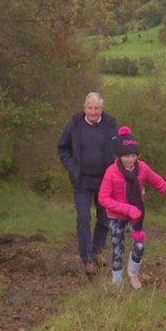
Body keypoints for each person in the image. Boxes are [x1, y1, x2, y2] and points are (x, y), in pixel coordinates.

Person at [98, 126, 166, 289]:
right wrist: (127, 209)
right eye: (126, 156)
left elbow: (158, 181)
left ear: (137, 155)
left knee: (139, 246)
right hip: (116, 216)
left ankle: (133, 273)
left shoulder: (142, 168)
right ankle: (117, 280)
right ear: (120, 156)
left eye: (133, 156)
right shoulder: (111, 171)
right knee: (117, 248)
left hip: (136, 216)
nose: (130, 160)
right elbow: (103, 198)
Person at [57, 92, 119, 279]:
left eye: (96, 108)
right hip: (82, 180)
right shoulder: (75, 124)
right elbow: (63, 147)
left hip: (105, 181)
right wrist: (71, 167)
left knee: (104, 219)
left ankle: (97, 250)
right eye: (89, 108)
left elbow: (120, 148)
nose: (92, 111)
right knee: (83, 219)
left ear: (102, 108)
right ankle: (87, 259)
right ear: (84, 108)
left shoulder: (111, 124)